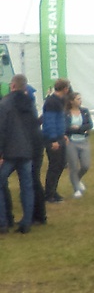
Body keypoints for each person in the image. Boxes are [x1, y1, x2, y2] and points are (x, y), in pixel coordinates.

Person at [0, 74, 42, 233]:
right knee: (26, 186)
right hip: (27, 150)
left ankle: (3, 222)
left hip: (10, 151)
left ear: (12, 86)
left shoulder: (5, 104)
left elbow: (2, 130)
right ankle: (26, 223)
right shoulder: (29, 103)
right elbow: (33, 127)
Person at [41, 78, 71, 203]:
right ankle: (49, 194)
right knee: (54, 166)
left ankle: (53, 190)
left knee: (61, 164)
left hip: (59, 136)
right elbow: (50, 121)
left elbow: (59, 120)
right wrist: (53, 140)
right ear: (65, 89)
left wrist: (63, 135)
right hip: (52, 138)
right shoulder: (51, 101)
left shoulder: (60, 100)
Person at [64, 92, 93, 198]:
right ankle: (76, 189)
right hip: (71, 142)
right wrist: (77, 130)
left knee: (85, 165)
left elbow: (89, 124)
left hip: (83, 141)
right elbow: (66, 127)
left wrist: (79, 129)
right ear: (71, 101)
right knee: (73, 166)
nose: (80, 101)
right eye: (78, 99)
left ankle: (77, 179)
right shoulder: (66, 113)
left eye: (80, 99)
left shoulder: (84, 111)